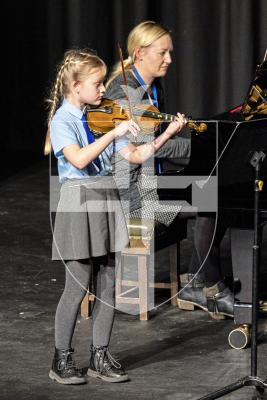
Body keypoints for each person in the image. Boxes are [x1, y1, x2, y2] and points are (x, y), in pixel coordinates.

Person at [45, 48, 186, 385]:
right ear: (76, 86)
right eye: (97, 85)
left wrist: (166, 133)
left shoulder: (101, 114)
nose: (103, 91)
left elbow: (135, 155)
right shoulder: (62, 120)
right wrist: (114, 133)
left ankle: (100, 355)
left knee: (108, 286)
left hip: (108, 199)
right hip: (79, 202)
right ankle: (61, 358)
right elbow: (78, 160)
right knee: (77, 287)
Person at [105, 20, 234, 319]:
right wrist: (202, 147)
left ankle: (199, 281)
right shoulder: (125, 94)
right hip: (131, 196)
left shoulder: (153, 87)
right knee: (210, 199)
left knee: (217, 194)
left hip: (151, 181)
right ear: (139, 53)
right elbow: (152, 148)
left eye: (170, 52)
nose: (170, 59)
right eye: (163, 53)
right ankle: (208, 285)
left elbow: (159, 141)